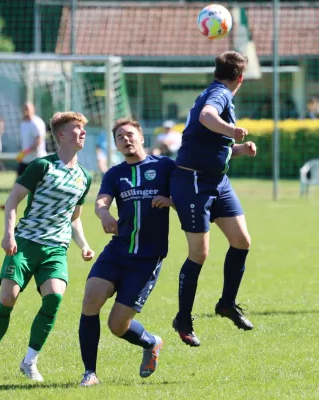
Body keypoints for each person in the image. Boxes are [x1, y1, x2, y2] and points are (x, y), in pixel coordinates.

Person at [0, 112, 95, 381]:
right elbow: (13, 200)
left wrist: (83, 244)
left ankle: (29, 362)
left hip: (56, 249)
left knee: (54, 298)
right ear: (60, 135)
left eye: (83, 129)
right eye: (76, 129)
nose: (82, 133)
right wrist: (8, 235)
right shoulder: (41, 166)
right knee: (7, 299)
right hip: (25, 243)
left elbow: (75, 218)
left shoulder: (84, 176)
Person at [78, 118, 175, 386]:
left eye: (130, 134)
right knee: (90, 300)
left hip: (146, 260)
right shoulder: (115, 174)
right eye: (120, 136)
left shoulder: (164, 166)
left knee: (117, 326)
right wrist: (103, 213)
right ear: (117, 144)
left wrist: (171, 201)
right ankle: (90, 373)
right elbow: (101, 201)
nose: (126, 139)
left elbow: (189, 196)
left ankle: (151, 342)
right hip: (117, 252)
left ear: (142, 138)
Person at [170, 50, 258, 347]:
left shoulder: (218, 92)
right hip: (194, 181)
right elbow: (208, 117)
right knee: (199, 253)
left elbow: (207, 144)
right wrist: (232, 130)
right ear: (240, 78)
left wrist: (237, 149)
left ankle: (226, 304)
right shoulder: (219, 94)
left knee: (242, 241)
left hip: (217, 181)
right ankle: (183, 318)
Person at [0, 103, 47, 210]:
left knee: (41, 186)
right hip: (26, 159)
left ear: (33, 110)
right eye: (24, 109)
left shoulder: (36, 123)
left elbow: (38, 140)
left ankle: (44, 206)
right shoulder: (23, 123)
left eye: (28, 109)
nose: (26, 111)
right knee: (18, 182)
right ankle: (9, 203)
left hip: (37, 159)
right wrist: (23, 153)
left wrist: (26, 151)